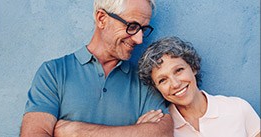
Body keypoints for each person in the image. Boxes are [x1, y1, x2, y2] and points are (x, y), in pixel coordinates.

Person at [20, 0, 174, 137]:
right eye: (132, 26)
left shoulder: (145, 79)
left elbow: (163, 132)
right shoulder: (53, 72)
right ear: (101, 19)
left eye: (143, 29)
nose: (139, 39)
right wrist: (135, 131)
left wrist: (78, 132)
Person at [138, 36, 260, 137]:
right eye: (163, 80)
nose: (175, 84)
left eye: (179, 70)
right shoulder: (161, 128)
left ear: (193, 67)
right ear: (156, 88)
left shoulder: (238, 109)